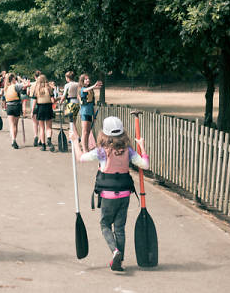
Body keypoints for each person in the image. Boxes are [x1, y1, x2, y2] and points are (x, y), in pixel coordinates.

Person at [71, 116, 149, 272]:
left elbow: (80, 158)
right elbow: (145, 165)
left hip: (108, 197)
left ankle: (115, 252)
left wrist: (74, 141)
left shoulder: (101, 152)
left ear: (104, 134)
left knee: (105, 225)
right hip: (124, 195)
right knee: (119, 228)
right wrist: (142, 146)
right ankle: (119, 260)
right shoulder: (129, 151)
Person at [3, 73, 29, 148]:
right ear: (13, 79)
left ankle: (13, 140)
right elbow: (27, 85)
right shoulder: (16, 86)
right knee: (15, 125)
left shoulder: (6, 88)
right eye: (15, 79)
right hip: (16, 106)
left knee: (11, 125)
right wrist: (21, 79)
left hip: (9, 107)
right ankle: (14, 140)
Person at [79, 73, 103, 152]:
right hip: (84, 112)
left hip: (90, 112)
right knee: (85, 132)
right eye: (86, 79)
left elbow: (92, 104)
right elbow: (85, 90)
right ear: (82, 81)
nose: (88, 80)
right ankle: (85, 149)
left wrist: (94, 115)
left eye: (88, 79)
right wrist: (94, 86)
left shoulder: (91, 91)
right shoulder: (82, 89)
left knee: (88, 131)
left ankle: (87, 148)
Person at [33, 74, 56, 151]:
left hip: (40, 108)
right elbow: (53, 101)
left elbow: (34, 101)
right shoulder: (49, 89)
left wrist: (33, 111)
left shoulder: (37, 90)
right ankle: (49, 139)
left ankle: (43, 145)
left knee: (42, 128)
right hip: (48, 108)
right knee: (49, 127)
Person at [28, 70, 42, 146]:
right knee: (41, 123)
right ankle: (40, 138)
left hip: (32, 102)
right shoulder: (43, 84)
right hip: (40, 102)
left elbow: (28, 93)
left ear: (35, 77)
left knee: (34, 122)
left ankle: (35, 135)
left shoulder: (32, 84)